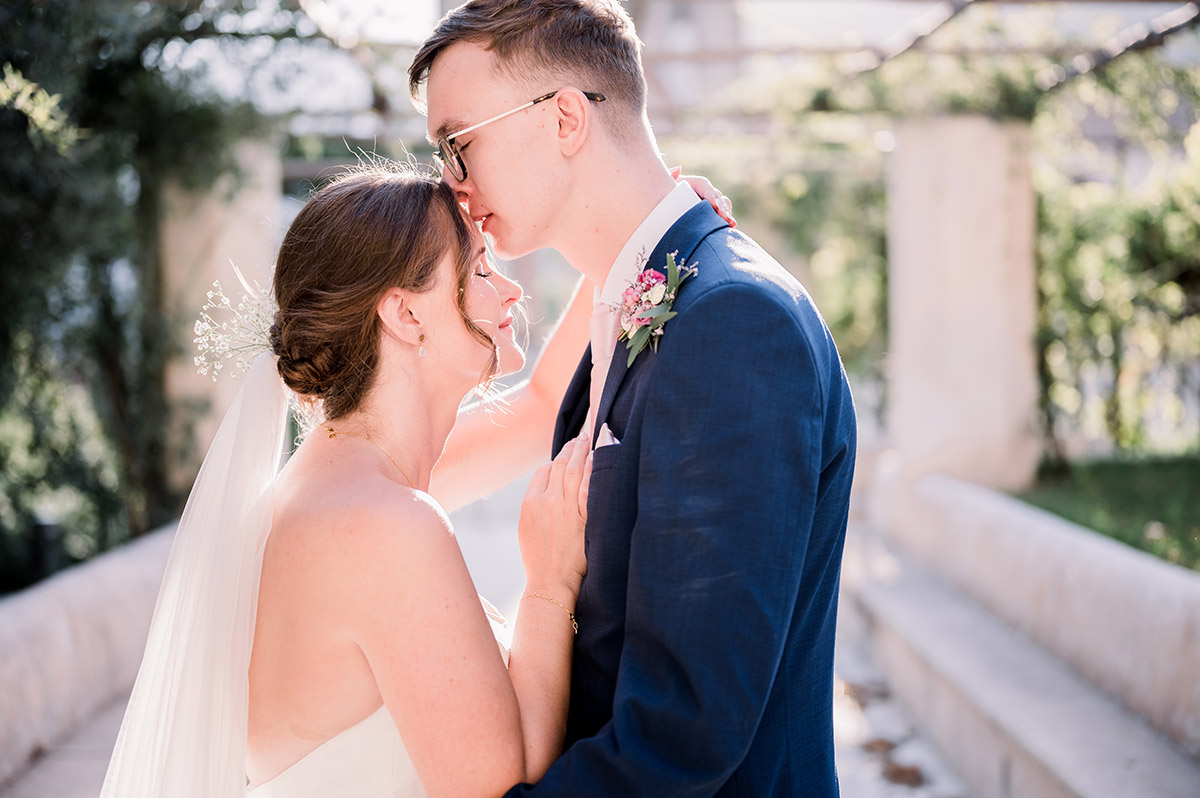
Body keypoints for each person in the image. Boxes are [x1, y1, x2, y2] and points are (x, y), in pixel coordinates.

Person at [101, 162, 736, 798]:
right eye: (481, 270)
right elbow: (506, 782)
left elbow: (543, 405)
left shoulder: (338, 476)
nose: (511, 292)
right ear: (406, 315)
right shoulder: (384, 523)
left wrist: (641, 242)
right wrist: (548, 584)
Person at [409, 1, 858, 796]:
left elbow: (684, 727)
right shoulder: (643, 297)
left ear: (566, 120)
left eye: (460, 141)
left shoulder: (733, 321)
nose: (452, 181)